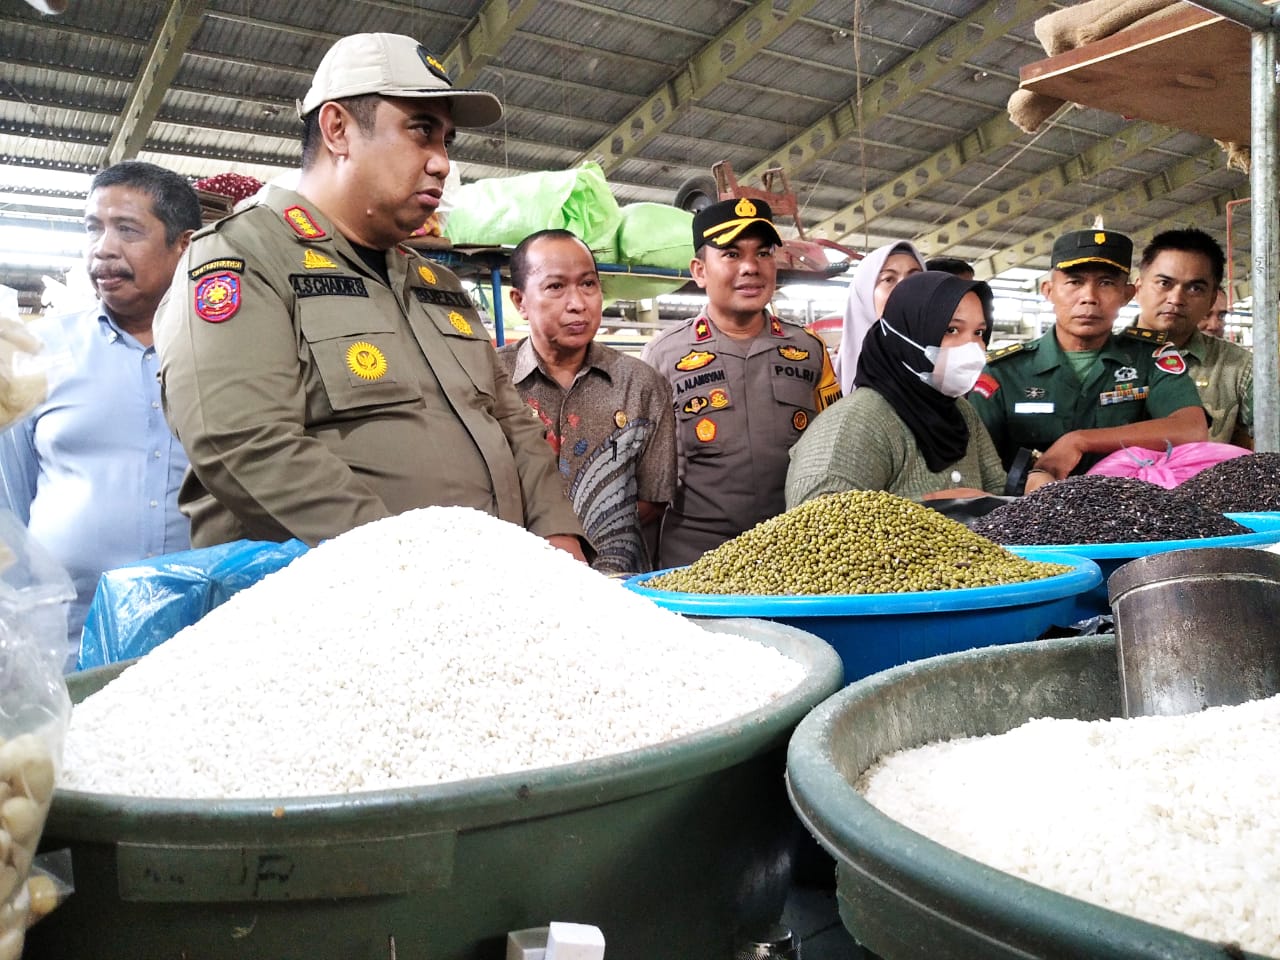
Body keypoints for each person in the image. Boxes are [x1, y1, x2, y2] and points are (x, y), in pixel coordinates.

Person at [155, 32, 587, 559]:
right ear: (338, 130)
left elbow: (511, 420)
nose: (442, 163)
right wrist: (404, 565)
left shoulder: (436, 285)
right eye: (421, 132)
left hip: (480, 601)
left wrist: (558, 533)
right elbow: (244, 442)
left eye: (446, 140)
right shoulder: (244, 258)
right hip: (333, 613)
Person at [0, 160, 201, 654]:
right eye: (94, 229)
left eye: (127, 230)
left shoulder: (227, 355)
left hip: (198, 639)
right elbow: (11, 504)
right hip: (63, 645)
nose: (103, 248)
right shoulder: (36, 354)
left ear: (184, 245)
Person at [640, 197, 841, 567]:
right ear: (699, 271)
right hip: (695, 560)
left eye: (763, 253)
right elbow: (646, 477)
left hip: (795, 555)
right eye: (731, 254)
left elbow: (834, 454)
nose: (751, 267)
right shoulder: (663, 356)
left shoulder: (809, 350)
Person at [970, 228, 1208, 490]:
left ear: (1127, 294)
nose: (1090, 298)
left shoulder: (1150, 359)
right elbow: (976, 464)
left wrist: (1080, 440)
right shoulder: (1004, 372)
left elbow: (1191, 430)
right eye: (1075, 282)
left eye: (1106, 283)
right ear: (1048, 291)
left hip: (1132, 516)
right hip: (1026, 517)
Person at [497, 229, 676, 574]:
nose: (577, 303)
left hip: (619, 584)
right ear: (520, 301)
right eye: (555, 287)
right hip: (516, 581)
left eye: (588, 284)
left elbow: (652, 500)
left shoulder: (642, 384)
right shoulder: (490, 380)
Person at [786, 271, 1006, 506]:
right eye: (951, 330)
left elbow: (997, 490)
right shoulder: (853, 425)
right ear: (905, 335)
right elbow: (814, 530)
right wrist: (927, 514)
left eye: (979, 333)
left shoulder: (961, 412)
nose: (973, 347)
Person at [1132, 228, 1253, 446]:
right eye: (1164, 283)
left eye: (1195, 288)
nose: (1176, 298)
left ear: (1212, 298)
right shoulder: (1101, 355)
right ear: (1138, 288)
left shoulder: (1239, 367)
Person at [833, 240, 926, 393]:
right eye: (889, 279)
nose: (904, 288)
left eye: (915, 278)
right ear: (864, 293)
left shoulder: (942, 367)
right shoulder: (827, 376)